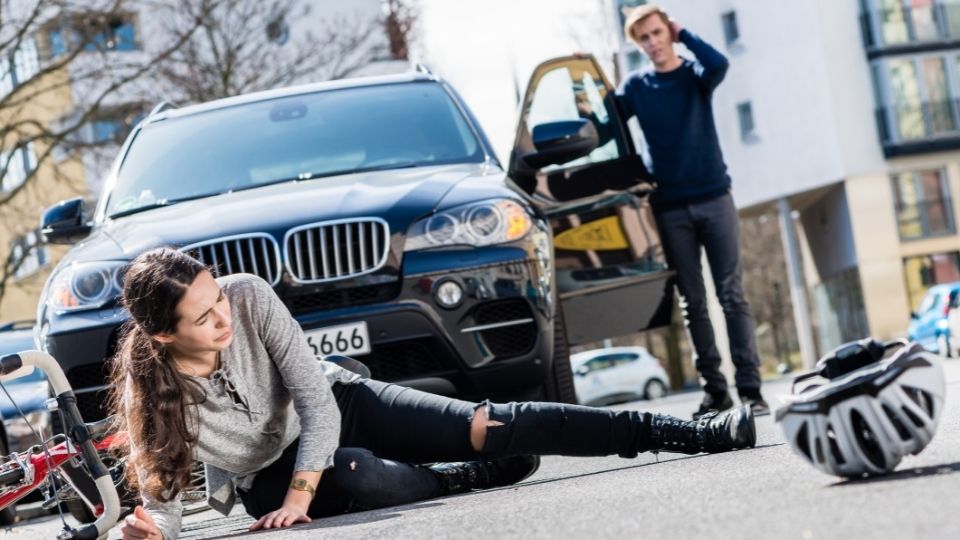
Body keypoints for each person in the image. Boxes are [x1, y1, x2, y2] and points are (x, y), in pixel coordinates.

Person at [113, 248, 756, 539]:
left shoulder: (250, 296)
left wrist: (305, 493)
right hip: (269, 477)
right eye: (203, 318)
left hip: (342, 405)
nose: (223, 317)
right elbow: (162, 497)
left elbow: (314, 397)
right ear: (165, 336)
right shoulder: (156, 388)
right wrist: (146, 533)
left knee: (491, 423)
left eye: (217, 297)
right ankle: (459, 479)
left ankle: (679, 434)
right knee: (361, 475)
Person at [619, 5, 769, 419]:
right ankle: (715, 391)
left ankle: (751, 390)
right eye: (644, 38)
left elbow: (719, 63)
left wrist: (684, 33)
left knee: (732, 295)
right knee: (693, 303)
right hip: (668, 207)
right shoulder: (636, 86)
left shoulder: (694, 76)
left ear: (667, 32)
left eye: (656, 33)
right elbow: (605, 121)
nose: (652, 43)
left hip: (714, 197)